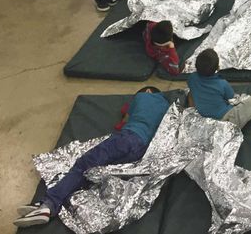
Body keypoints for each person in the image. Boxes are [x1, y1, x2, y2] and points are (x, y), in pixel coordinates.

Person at [13, 86, 170, 227]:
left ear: (147, 91)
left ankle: (48, 205)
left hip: (126, 138)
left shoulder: (143, 97)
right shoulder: (166, 106)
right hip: (141, 152)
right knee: (98, 173)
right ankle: (53, 203)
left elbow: (124, 121)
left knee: (83, 165)